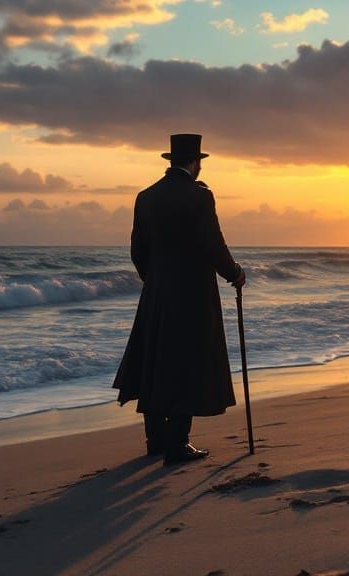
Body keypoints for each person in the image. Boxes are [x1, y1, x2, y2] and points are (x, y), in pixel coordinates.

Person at [113, 133, 246, 466]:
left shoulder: (146, 197)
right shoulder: (200, 197)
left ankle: (156, 440)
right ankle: (178, 444)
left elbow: (137, 251)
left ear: (171, 161)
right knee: (188, 361)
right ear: (195, 162)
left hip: (156, 293)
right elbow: (213, 245)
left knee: (156, 361)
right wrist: (234, 273)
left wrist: (155, 280)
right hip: (193, 294)